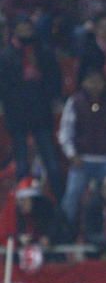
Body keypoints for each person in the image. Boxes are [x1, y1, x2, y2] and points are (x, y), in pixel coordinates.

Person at [59, 65, 106, 231]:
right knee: (72, 196)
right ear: (83, 83)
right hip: (81, 161)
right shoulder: (74, 102)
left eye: (98, 81)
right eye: (90, 81)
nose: (94, 85)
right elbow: (65, 132)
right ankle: (66, 232)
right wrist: (72, 155)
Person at [0, 15, 64, 195]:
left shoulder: (43, 52)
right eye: (22, 29)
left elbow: (54, 79)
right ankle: (22, 206)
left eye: (28, 28)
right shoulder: (6, 56)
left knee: (51, 164)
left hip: (41, 115)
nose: (26, 32)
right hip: (18, 117)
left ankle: (59, 205)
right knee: (21, 165)